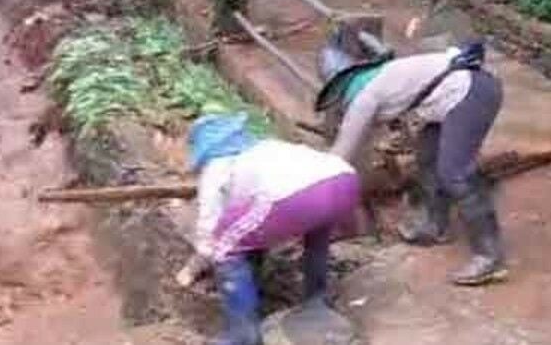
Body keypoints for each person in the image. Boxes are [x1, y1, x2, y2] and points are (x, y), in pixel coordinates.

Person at [314, 24, 508, 286]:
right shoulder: (379, 76)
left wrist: (310, 186)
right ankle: (434, 226)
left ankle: (489, 257)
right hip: (457, 93)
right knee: (428, 160)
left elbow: (340, 157)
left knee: (455, 173)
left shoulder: (364, 99)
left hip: (470, 94)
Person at [175, 112, 362, 345]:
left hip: (293, 196)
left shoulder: (216, 167)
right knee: (316, 236)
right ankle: (316, 300)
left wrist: (195, 265)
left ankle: (243, 334)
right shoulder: (267, 148)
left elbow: (210, 230)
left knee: (225, 245)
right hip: (344, 179)